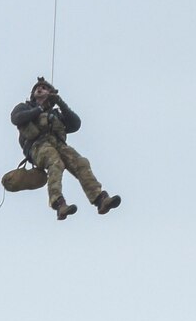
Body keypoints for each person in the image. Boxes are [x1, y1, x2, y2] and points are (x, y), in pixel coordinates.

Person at [10, 77, 120, 220]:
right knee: (55, 162)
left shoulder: (55, 114)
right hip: (37, 146)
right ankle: (58, 203)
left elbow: (75, 124)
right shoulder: (25, 108)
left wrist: (60, 103)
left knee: (81, 163)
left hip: (58, 144)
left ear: (50, 92)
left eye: (44, 87)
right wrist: (40, 109)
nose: (40, 89)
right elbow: (16, 118)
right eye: (37, 88)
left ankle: (100, 199)